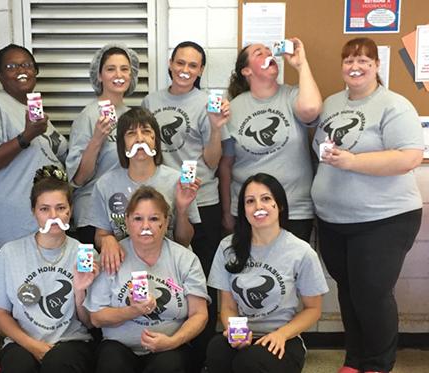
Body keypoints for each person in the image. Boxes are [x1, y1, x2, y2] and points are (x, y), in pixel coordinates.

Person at [311, 37, 423, 373]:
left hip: (384, 219)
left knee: (372, 295)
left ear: (377, 66)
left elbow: (409, 157)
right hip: (334, 219)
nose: (355, 67)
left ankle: (377, 363)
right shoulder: (330, 103)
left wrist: (352, 163)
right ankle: (355, 359)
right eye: (348, 60)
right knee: (349, 292)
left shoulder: (394, 104)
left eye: (364, 61)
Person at [141, 41, 230, 370]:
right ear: (170, 63)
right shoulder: (152, 100)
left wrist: (216, 128)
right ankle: (164, 347)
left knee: (203, 280)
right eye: (181, 62)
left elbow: (211, 160)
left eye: (193, 65)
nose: (185, 69)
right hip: (161, 200)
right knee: (165, 276)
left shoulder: (208, 101)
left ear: (201, 70)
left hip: (202, 200)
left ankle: (202, 356)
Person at [0, 165, 98, 373]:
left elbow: (89, 323)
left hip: (71, 342)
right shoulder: (10, 252)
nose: (53, 216)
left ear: (70, 210)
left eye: (60, 208)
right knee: (18, 366)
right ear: (34, 212)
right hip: (22, 343)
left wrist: (79, 290)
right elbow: (1, 314)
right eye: (45, 209)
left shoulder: (84, 254)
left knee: (57, 364)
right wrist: (34, 346)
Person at [206, 173, 328, 373]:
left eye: (266, 199)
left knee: (249, 361)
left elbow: (313, 309)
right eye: (250, 201)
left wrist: (282, 334)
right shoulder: (227, 248)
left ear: (279, 205)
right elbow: (227, 307)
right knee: (217, 349)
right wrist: (236, 331)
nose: (258, 207)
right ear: (243, 210)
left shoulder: (301, 251)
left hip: (284, 338)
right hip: (245, 334)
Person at [84, 186, 209, 373]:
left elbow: (200, 314)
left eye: (154, 219)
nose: (145, 226)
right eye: (138, 219)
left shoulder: (185, 259)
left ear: (166, 223)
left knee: (168, 366)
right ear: (127, 221)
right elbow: (96, 318)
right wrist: (132, 311)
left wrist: (172, 342)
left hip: (170, 346)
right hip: (118, 347)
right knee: (112, 364)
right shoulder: (111, 256)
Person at [219, 38, 322, 242]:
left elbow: (311, 110)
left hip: (295, 209)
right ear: (246, 71)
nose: (269, 55)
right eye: (259, 53)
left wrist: (301, 65)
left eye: (269, 51)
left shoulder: (292, 96)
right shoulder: (233, 108)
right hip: (249, 211)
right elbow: (226, 165)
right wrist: (226, 212)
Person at [0, 44, 67, 261]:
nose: (21, 70)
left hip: (44, 220)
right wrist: (25, 137)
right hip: (13, 222)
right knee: (20, 290)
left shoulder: (36, 111)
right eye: (11, 66)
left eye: (26, 65)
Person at [88, 107, 201, 274]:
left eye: (146, 132)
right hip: (124, 269)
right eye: (131, 133)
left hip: (170, 269)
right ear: (122, 143)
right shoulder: (105, 184)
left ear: (155, 140)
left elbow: (183, 241)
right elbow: (100, 236)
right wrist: (107, 240)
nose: (140, 139)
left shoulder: (177, 181)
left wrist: (183, 209)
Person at [66, 43, 139, 245]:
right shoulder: (88, 117)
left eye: (125, 69)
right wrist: (97, 138)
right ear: (99, 76)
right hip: (93, 211)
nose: (119, 74)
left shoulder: (133, 117)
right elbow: (78, 179)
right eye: (110, 69)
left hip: (125, 208)